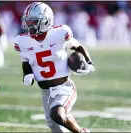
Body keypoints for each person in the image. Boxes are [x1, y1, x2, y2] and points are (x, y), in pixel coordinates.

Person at [14, 2, 95, 133]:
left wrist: (89, 62)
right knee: (54, 126)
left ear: (46, 21)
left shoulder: (59, 34)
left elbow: (78, 47)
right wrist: (27, 74)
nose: (29, 25)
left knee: (57, 114)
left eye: (33, 21)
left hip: (64, 87)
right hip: (45, 91)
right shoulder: (22, 41)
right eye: (28, 21)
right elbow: (25, 61)